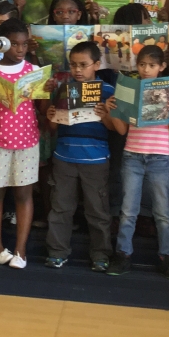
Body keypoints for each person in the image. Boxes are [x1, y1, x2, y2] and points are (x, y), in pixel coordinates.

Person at [104, 45, 169, 278]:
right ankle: (123, 254)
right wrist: (111, 112)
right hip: (133, 156)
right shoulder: (129, 89)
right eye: (142, 65)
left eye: (151, 65)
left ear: (162, 67)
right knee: (128, 210)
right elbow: (121, 130)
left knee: (162, 211)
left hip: (159, 157)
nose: (146, 70)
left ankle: (166, 257)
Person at [44, 41, 115, 270]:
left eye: (83, 65)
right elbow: (53, 128)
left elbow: (115, 129)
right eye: (73, 65)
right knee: (61, 208)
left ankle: (101, 255)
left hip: (95, 159)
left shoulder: (108, 91)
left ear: (96, 64)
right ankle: (57, 252)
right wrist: (52, 115)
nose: (78, 70)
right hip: (64, 155)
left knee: (97, 210)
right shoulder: (64, 89)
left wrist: (105, 115)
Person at [0, 19, 40, 269]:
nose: (20, 49)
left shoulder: (34, 70)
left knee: (23, 195)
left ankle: (20, 249)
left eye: (24, 44)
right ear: (1, 44)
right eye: (14, 44)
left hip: (27, 140)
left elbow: (42, 108)